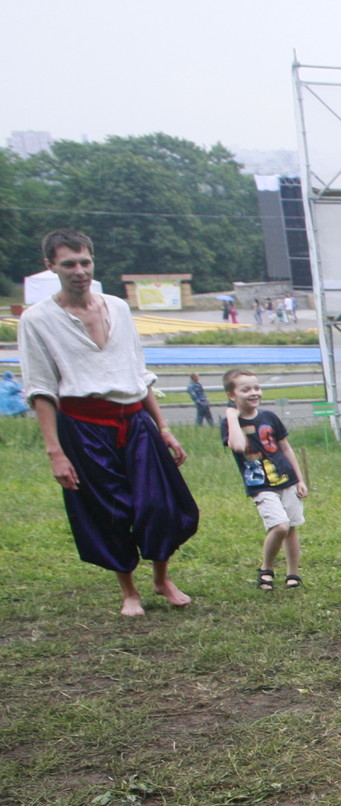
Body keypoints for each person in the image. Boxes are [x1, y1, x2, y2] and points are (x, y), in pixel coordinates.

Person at [18, 229, 199, 616]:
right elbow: (41, 390)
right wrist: (55, 452)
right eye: (69, 264)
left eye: (85, 262)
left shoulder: (117, 307)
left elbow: (138, 373)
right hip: (83, 426)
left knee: (160, 504)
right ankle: (129, 592)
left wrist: (163, 428)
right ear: (51, 266)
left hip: (135, 421)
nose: (79, 271)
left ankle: (161, 577)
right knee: (110, 510)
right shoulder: (37, 320)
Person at [222, 369, 309, 591]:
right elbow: (239, 446)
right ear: (232, 395)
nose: (254, 392)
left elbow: (286, 449)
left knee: (291, 528)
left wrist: (299, 479)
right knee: (280, 526)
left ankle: (293, 573)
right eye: (246, 389)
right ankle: (266, 568)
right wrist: (232, 417)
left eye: (257, 388)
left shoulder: (270, 417)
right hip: (260, 485)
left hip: (286, 480)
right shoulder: (231, 423)